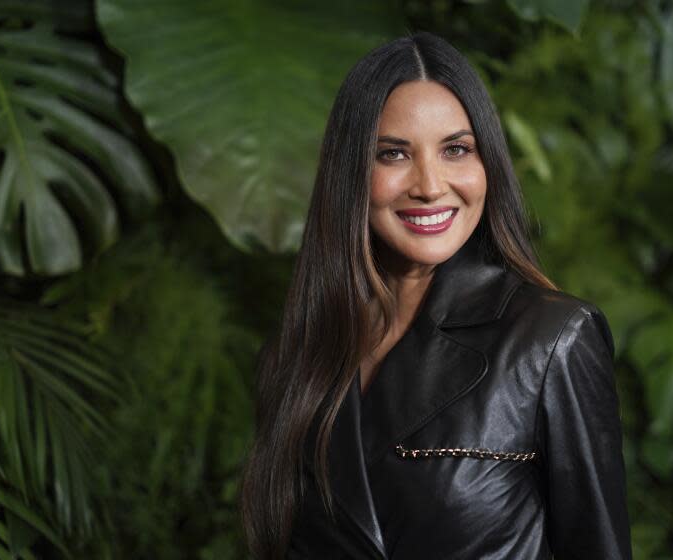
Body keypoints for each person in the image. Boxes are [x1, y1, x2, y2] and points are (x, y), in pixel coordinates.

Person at [239, 30, 633, 560]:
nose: (429, 184)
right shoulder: (294, 355)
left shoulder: (553, 340)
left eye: (456, 149)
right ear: (351, 173)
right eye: (393, 154)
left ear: (486, 162)